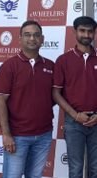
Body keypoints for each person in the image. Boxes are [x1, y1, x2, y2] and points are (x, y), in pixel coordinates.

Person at [0, 20, 54, 178]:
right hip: (17, 136)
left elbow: (53, 98)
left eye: (36, 35)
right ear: (19, 39)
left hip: (44, 135)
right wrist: (6, 134)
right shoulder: (9, 66)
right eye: (27, 35)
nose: (32, 38)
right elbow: (0, 101)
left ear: (42, 39)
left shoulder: (50, 66)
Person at [53, 16, 97, 178]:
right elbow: (56, 93)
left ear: (94, 34)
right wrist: (75, 115)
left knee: (95, 169)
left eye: (90, 31)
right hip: (73, 123)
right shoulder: (63, 60)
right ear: (75, 32)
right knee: (75, 169)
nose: (86, 35)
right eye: (82, 31)